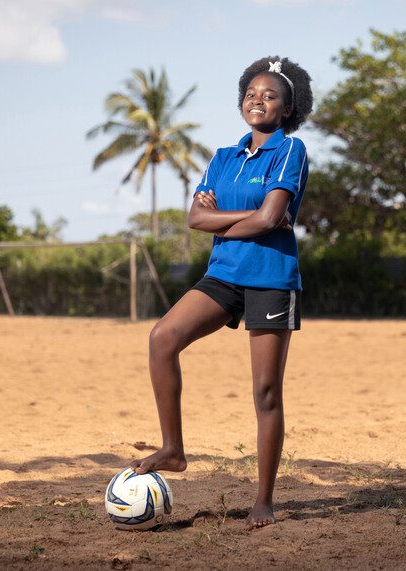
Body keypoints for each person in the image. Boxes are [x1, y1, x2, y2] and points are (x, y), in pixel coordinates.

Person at [131, 56, 313, 530]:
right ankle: (173, 449)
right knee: (162, 338)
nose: (259, 99)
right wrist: (249, 220)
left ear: (287, 108)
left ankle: (264, 501)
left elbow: (271, 218)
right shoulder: (222, 157)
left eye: (270, 95)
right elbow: (195, 219)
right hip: (224, 275)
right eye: (252, 93)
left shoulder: (290, 152)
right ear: (241, 102)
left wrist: (227, 219)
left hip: (272, 278)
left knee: (266, 392)